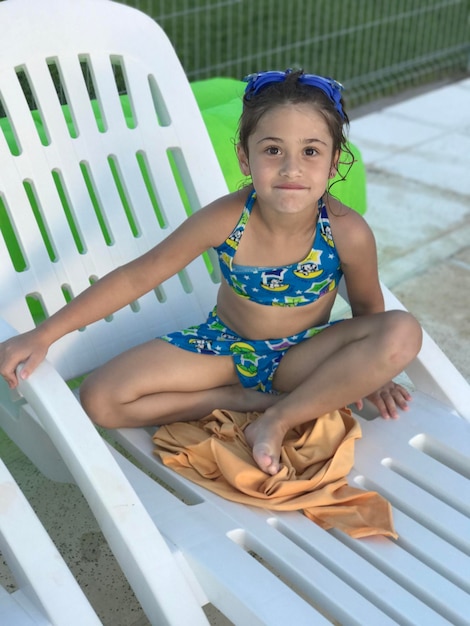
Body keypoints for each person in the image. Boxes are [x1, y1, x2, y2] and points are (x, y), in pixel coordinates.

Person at [0, 69, 422, 475]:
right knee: (101, 399)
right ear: (245, 157)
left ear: (333, 163)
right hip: (222, 349)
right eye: (273, 150)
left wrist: (375, 374)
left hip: (304, 355)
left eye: (310, 151)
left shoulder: (347, 232)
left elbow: (369, 312)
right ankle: (242, 400)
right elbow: (137, 277)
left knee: (403, 331)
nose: (292, 168)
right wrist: (43, 334)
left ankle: (275, 419)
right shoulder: (227, 218)